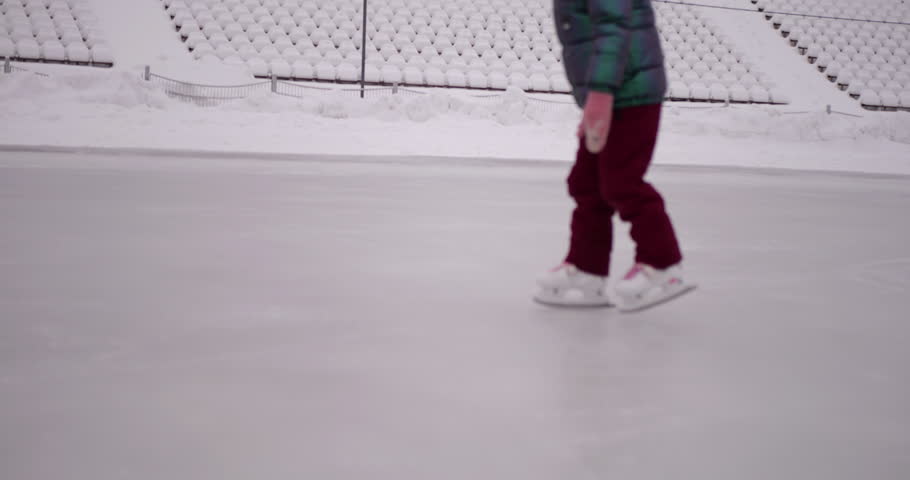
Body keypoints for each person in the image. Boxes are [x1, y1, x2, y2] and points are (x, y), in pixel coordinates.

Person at [534, 0, 695, 311]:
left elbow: (613, 29)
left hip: (630, 91)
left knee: (622, 182)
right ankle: (587, 269)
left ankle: (662, 263)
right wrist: (594, 99)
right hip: (611, 91)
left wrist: (600, 93)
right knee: (586, 183)